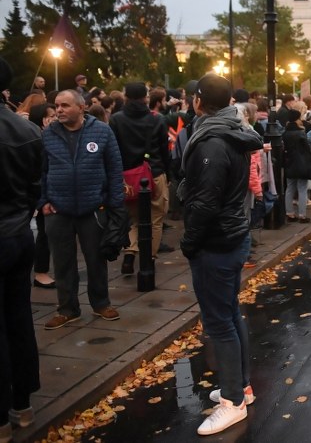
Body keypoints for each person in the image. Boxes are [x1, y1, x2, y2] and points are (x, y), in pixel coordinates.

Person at [180, 73, 262, 435]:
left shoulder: (213, 140)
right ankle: (240, 387)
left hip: (217, 240)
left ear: (198, 101)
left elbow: (206, 202)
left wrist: (190, 240)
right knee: (229, 312)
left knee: (219, 321)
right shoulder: (230, 130)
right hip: (231, 235)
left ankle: (233, 401)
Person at [40, 90, 124, 330]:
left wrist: (113, 205)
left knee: (96, 259)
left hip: (93, 207)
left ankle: (101, 303)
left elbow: (114, 169)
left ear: (81, 107)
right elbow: (41, 171)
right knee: (62, 262)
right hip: (59, 209)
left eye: (65, 105)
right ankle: (67, 308)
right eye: (57, 106)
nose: (59, 110)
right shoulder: (49, 134)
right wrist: (43, 200)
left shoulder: (102, 131)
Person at [0, 56, 43, 440]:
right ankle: (23, 402)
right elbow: (34, 184)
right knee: (18, 316)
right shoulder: (25, 130)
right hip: (18, 232)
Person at [109, 83, 171, 272]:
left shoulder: (116, 119)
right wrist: (167, 173)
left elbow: (113, 151)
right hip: (154, 173)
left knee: (133, 218)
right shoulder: (158, 119)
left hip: (127, 177)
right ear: (146, 97)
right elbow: (164, 150)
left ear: (125, 96)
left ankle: (130, 252)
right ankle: (149, 259)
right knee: (156, 218)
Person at [28, 103, 57, 289]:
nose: (56, 117)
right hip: (38, 191)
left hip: (43, 190)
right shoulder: (37, 137)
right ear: (42, 119)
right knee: (43, 233)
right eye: (52, 115)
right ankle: (40, 272)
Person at [282, 108, 311, 223]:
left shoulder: (285, 133)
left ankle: (290, 213)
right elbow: (307, 149)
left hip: (290, 163)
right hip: (302, 163)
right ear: (297, 119)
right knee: (302, 188)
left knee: (290, 188)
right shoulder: (301, 133)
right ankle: (302, 215)